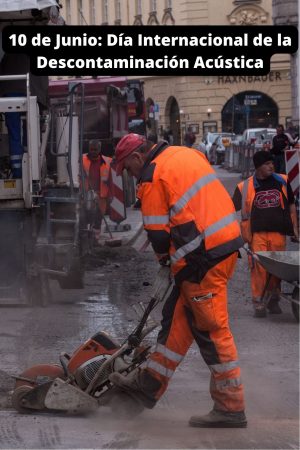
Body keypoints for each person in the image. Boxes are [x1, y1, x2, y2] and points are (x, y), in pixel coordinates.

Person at [109, 133, 247, 428]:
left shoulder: (153, 176)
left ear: (137, 157)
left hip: (202, 261)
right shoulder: (185, 154)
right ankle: (148, 387)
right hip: (221, 248)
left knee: (211, 331)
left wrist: (163, 264)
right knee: (177, 322)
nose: (131, 176)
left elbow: (158, 233)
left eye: (128, 169)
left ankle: (231, 407)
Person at [232, 151, 298, 318]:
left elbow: (291, 205)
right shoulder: (244, 187)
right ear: (258, 167)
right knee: (259, 269)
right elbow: (228, 209)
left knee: (278, 269)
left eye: (272, 163)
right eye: (267, 164)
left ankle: (273, 299)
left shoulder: (282, 181)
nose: (271, 166)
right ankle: (259, 302)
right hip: (257, 235)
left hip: (278, 233)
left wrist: (295, 229)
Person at [0, 53, 49, 178]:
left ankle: (17, 172)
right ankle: (31, 172)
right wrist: (44, 104)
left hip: (10, 91)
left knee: (14, 132)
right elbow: (43, 82)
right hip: (32, 93)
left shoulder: (9, 56)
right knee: (31, 133)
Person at [82, 140, 112, 240]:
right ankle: (86, 236)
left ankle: (95, 238)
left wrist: (110, 195)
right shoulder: (82, 159)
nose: (93, 151)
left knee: (98, 217)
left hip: (101, 195)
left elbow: (110, 180)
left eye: (95, 149)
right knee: (86, 215)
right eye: (91, 149)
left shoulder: (107, 161)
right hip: (86, 194)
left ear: (99, 149)